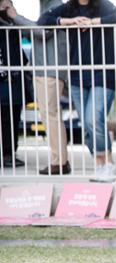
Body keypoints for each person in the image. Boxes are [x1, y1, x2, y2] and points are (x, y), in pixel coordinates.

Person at [39, 0, 116, 181]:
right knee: (88, 127)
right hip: (77, 78)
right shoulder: (68, 9)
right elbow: (42, 20)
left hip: (103, 75)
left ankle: (108, 165)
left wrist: (93, 22)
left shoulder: (103, 5)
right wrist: (69, 21)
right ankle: (101, 165)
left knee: (93, 119)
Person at [11, 0, 70, 175]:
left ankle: (59, 162)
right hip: (47, 69)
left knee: (50, 115)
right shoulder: (51, 6)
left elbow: (42, 32)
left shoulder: (53, 5)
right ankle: (60, 160)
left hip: (48, 69)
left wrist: (16, 17)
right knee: (51, 115)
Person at [0, 0, 27, 168]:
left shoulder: (12, 23)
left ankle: (9, 153)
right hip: (6, 75)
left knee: (12, 114)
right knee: (6, 114)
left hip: (13, 77)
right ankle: (7, 153)